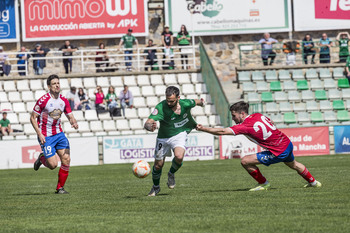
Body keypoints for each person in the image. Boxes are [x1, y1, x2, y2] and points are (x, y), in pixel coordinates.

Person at [196, 101, 322, 191]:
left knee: (245, 161)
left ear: (242, 114)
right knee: (293, 164)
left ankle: (264, 184)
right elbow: (270, 122)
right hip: (286, 143)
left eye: (234, 116)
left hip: (278, 150)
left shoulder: (245, 125)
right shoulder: (257, 115)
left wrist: (204, 129)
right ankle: (314, 182)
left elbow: (223, 132)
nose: (233, 119)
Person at [144, 86, 205, 196]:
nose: (169, 103)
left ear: (178, 98)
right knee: (158, 165)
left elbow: (196, 101)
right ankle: (156, 187)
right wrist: (150, 126)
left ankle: (171, 173)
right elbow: (148, 122)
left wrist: (201, 102)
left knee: (179, 156)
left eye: (172, 101)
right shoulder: (161, 107)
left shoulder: (185, 103)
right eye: (167, 100)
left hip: (179, 133)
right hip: (163, 136)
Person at [31, 74, 79, 194]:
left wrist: (74, 122)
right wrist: (39, 134)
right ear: (49, 86)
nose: (57, 85)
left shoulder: (64, 100)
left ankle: (60, 188)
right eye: (54, 83)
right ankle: (42, 158)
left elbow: (70, 116)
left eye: (58, 83)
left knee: (66, 159)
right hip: (46, 136)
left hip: (59, 134)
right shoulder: (43, 100)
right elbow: (32, 118)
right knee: (53, 165)